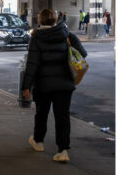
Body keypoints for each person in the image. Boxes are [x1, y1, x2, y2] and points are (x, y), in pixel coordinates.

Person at [21, 9, 87, 163]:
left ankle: (38, 141)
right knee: (62, 116)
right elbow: (82, 54)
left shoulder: (37, 37)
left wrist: (26, 86)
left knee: (41, 114)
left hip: (43, 85)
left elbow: (32, 64)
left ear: (40, 20)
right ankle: (63, 150)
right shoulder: (66, 34)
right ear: (55, 20)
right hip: (64, 85)